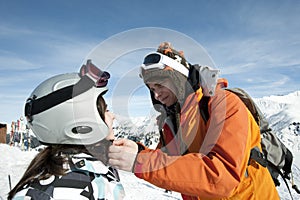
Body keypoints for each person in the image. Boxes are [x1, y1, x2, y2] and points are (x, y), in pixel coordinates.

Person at [108, 42, 280, 199]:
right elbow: (167, 161)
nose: (156, 95)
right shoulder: (171, 121)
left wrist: (140, 162)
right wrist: (139, 151)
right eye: (151, 88)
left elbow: (221, 177)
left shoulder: (224, 104)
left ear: (178, 79)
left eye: (160, 85)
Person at [8, 60, 125, 200]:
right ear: (82, 123)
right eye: (106, 111)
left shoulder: (94, 171)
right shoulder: (64, 192)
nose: (113, 116)